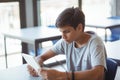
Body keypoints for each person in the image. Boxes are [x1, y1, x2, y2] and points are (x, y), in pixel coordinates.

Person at [27, 7, 107, 80]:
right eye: (61, 32)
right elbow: (42, 57)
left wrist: (61, 75)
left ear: (79, 28)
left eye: (67, 32)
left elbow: (98, 74)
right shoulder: (66, 41)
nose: (63, 37)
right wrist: (36, 64)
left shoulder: (95, 43)